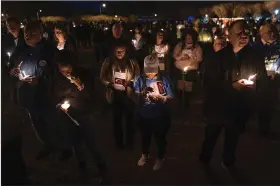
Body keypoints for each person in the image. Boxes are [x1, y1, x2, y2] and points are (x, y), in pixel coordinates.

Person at [199, 20, 267, 170]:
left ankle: (228, 160)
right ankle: (205, 158)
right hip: (218, 106)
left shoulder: (255, 56)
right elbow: (209, 83)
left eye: (246, 32)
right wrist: (231, 86)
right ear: (229, 35)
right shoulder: (218, 57)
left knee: (233, 136)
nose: (243, 35)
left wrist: (253, 94)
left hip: (239, 107)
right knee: (211, 135)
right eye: (239, 32)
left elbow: (261, 80)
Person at [51, 50, 108, 184]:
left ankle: (102, 167)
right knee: (76, 144)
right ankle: (82, 166)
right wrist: (59, 105)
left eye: (69, 70)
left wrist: (80, 86)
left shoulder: (84, 74)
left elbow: (93, 96)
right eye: (63, 71)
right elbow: (54, 96)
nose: (66, 74)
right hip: (69, 117)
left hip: (85, 115)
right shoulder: (56, 78)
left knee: (92, 143)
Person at [9, 20, 58, 159]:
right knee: (37, 122)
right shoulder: (20, 49)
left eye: (32, 32)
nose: (28, 35)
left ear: (41, 34)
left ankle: (63, 146)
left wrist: (42, 79)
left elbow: (58, 71)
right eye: (26, 33)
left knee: (52, 121)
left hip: (47, 94)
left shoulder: (49, 50)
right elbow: (11, 65)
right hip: (27, 94)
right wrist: (13, 71)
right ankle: (47, 145)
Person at [133, 54, 174, 171]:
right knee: (145, 137)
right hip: (144, 115)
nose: (150, 74)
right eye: (148, 71)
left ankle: (160, 157)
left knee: (160, 138)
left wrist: (162, 98)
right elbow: (134, 96)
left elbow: (171, 96)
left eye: (153, 71)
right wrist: (142, 93)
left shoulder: (165, 79)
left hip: (160, 116)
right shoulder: (139, 79)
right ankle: (145, 154)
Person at [100, 42, 140, 150]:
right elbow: (102, 76)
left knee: (130, 120)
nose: (119, 53)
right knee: (117, 120)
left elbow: (137, 75)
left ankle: (130, 143)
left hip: (128, 94)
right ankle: (119, 143)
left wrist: (130, 82)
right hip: (115, 94)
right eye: (117, 51)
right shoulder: (108, 61)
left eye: (121, 51)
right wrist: (110, 84)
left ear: (126, 51)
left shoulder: (131, 62)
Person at [255, 23, 280, 137]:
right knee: (263, 105)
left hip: (276, 80)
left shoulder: (277, 46)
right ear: (262, 34)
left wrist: (277, 72)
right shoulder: (256, 47)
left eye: (274, 31)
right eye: (269, 32)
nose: (272, 34)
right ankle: (263, 129)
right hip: (261, 81)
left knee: (272, 104)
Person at [173, 28, 203, 109]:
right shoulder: (180, 45)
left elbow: (199, 58)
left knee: (188, 88)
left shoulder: (197, 47)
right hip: (180, 70)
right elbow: (175, 55)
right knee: (180, 87)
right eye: (187, 37)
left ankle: (186, 103)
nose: (188, 39)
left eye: (190, 37)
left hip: (190, 70)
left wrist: (191, 57)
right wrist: (181, 57)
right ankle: (180, 103)